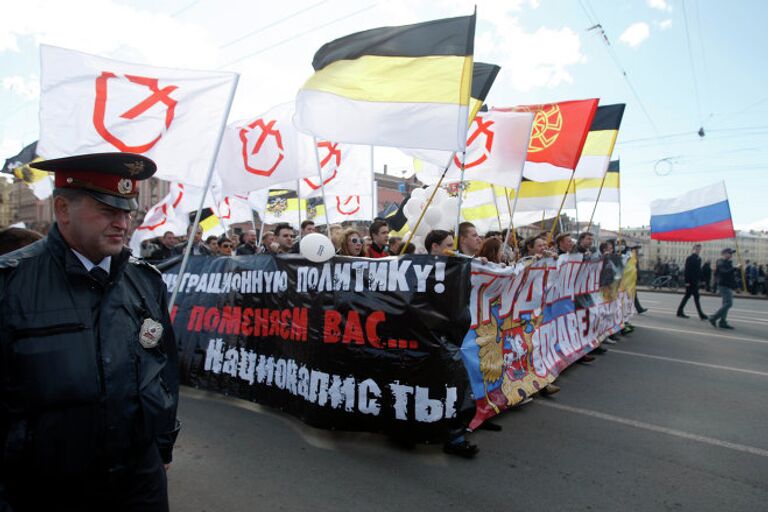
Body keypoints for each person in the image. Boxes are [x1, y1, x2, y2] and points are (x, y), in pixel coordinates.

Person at [0, 153, 180, 511]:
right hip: (44, 485)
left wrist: (162, 444)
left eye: (126, 211)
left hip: (138, 481)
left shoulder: (145, 281)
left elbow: (164, 370)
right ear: (63, 209)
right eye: (108, 210)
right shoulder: (11, 283)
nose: (123, 223)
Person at [676, 244, 708, 320]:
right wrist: (686, 281)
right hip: (690, 281)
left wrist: (703, 279)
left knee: (687, 296)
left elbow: (699, 270)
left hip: (695, 281)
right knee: (695, 297)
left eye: (699, 249)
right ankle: (701, 314)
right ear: (693, 249)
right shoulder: (690, 258)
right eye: (697, 249)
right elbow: (687, 271)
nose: (698, 251)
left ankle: (679, 311)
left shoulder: (699, 259)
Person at [709, 248, 738, 329]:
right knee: (729, 303)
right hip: (723, 285)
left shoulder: (727, 262)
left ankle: (723, 322)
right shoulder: (721, 262)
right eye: (730, 253)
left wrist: (735, 286)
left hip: (727, 285)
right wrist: (735, 268)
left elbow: (730, 276)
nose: (731, 255)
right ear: (724, 253)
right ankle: (713, 317)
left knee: (725, 303)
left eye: (731, 253)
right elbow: (725, 273)